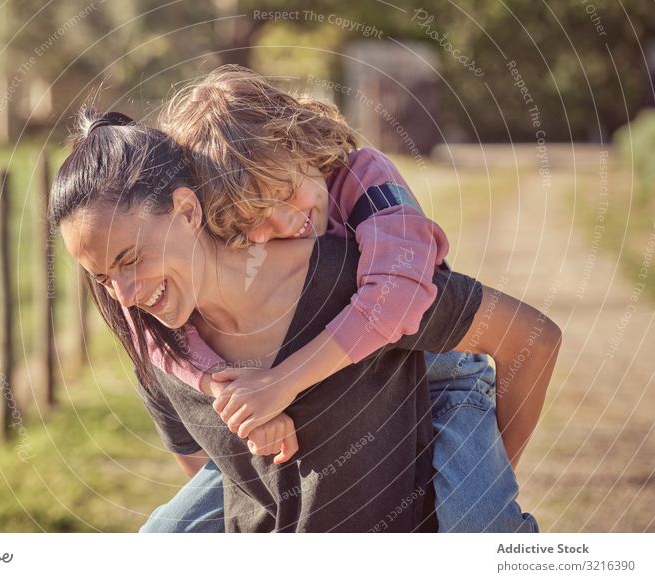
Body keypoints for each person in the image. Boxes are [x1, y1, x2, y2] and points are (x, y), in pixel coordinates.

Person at [48, 109, 562, 532]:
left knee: (480, 521)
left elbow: (528, 339)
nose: (126, 295)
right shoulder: (153, 336)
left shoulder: (359, 272)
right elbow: (218, 473)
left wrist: (475, 479)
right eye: (101, 277)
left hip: (447, 373)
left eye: (130, 259)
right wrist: (226, 395)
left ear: (187, 212)